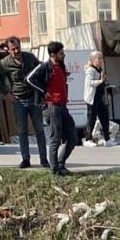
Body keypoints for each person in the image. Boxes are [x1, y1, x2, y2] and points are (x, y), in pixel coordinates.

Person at [0, 37, 49, 169]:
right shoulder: (5, 63)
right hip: (19, 100)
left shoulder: (29, 58)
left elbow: (41, 71)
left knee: (39, 130)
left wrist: (42, 92)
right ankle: (26, 159)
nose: (16, 51)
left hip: (33, 98)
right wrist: (6, 93)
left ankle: (44, 159)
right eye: (13, 49)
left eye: (18, 48)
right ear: (8, 50)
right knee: (22, 131)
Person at [26, 41, 76, 177]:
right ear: (53, 54)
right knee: (55, 138)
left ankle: (61, 164)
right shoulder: (45, 67)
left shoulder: (60, 66)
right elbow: (29, 79)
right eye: (61, 53)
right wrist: (43, 91)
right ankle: (55, 170)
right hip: (52, 107)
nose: (63, 55)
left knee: (72, 137)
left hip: (62, 107)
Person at [83, 51, 113, 146]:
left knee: (104, 117)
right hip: (93, 98)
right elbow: (90, 83)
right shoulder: (90, 70)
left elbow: (102, 82)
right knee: (91, 119)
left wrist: (104, 82)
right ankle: (88, 139)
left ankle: (107, 139)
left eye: (101, 58)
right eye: (98, 58)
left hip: (100, 97)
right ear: (92, 60)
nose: (100, 60)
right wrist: (100, 81)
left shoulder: (100, 69)